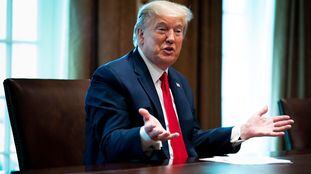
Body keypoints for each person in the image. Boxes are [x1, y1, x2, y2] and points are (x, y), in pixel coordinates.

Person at [84, 0, 294, 165]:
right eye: (162, 29)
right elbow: (108, 143)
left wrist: (241, 131)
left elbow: (190, 140)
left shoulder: (178, 81)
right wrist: (144, 135)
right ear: (140, 34)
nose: (171, 38)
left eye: (178, 31)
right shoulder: (111, 76)